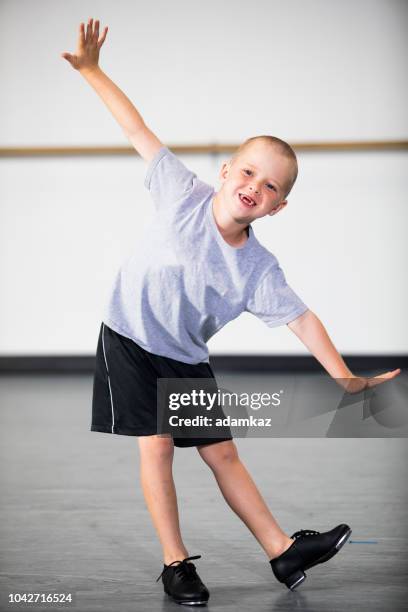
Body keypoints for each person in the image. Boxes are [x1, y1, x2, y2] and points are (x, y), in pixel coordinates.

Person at [61, 18, 401, 606]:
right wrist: (93, 70)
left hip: (185, 356)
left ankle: (282, 550)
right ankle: (175, 564)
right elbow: (135, 126)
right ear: (225, 172)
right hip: (130, 339)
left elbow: (302, 319)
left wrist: (342, 374)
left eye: (270, 187)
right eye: (247, 172)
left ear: (278, 206)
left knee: (223, 453)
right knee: (159, 445)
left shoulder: (258, 268)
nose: (254, 187)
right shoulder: (180, 192)